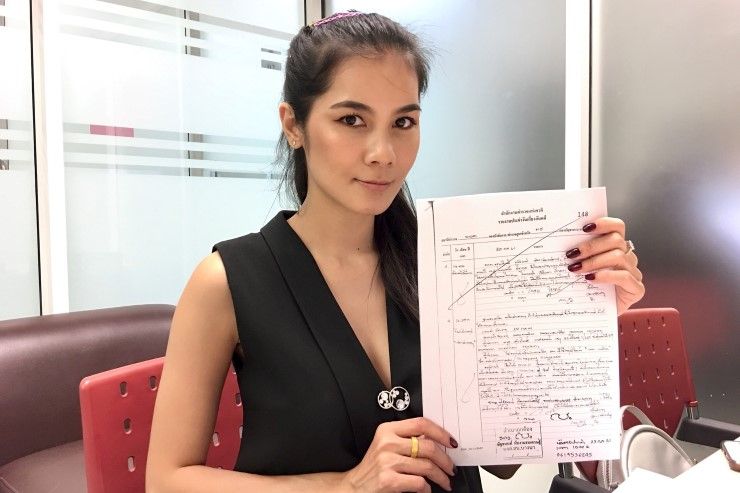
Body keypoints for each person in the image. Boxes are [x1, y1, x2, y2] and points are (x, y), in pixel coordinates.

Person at [145, 11, 645, 493]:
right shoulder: (228, 282)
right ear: (293, 125)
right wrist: (345, 487)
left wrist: (578, 323)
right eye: (352, 119)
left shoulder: (449, 261)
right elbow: (166, 480)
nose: (383, 153)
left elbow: (502, 459)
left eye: (403, 122)